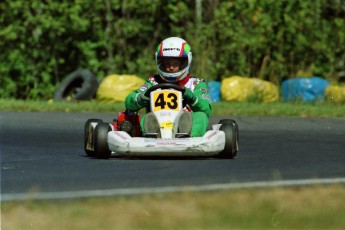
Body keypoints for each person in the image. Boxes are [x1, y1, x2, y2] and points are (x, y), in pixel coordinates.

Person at [125, 37, 212, 137]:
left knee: (201, 116)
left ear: (185, 62)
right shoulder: (153, 82)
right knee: (147, 118)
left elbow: (207, 109)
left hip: (184, 122)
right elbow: (129, 101)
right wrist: (139, 99)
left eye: (175, 63)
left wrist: (192, 98)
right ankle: (152, 134)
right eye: (167, 63)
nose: (171, 67)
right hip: (157, 122)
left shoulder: (195, 83)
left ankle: (187, 135)